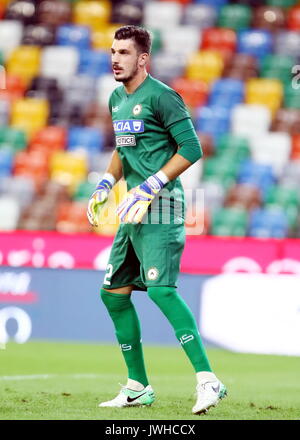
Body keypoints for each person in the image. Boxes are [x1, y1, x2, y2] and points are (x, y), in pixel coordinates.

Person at [87, 25, 227, 415]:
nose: (115, 58)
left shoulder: (164, 97)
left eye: (124, 53)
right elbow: (124, 147)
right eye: (113, 51)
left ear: (143, 58)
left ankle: (208, 380)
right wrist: (105, 181)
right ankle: (137, 386)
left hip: (161, 207)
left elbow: (192, 148)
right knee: (112, 293)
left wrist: (151, 185)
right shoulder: (116, 98)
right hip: (132, 211)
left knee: (162, 290)